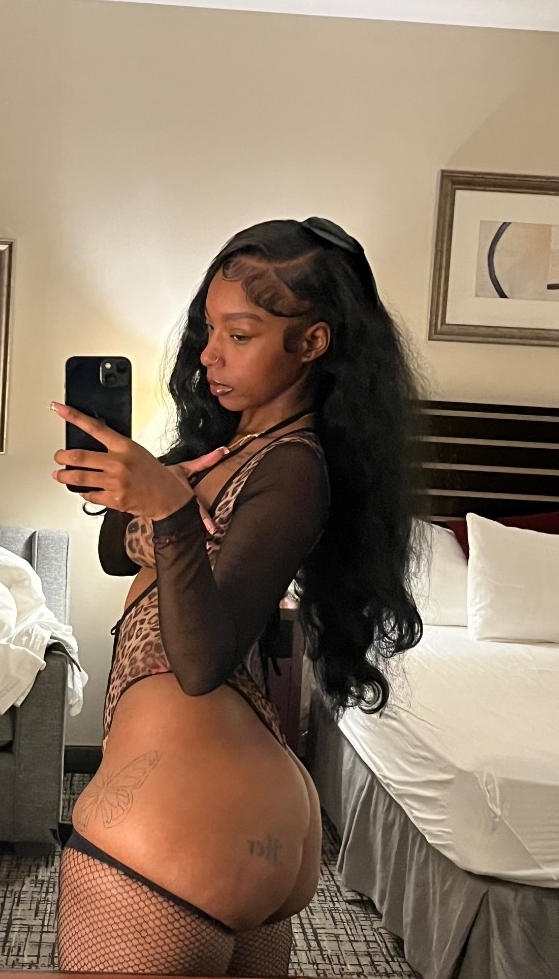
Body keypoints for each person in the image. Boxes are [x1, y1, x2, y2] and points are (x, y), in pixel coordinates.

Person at [50, 216, 423, 976]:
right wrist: (151, 492)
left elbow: (202, 663)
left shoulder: (293, 466)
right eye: (209, 328)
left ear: (311, 342)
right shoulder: (230, 444)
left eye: (240, 335)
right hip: (242, 815)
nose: (209, 354)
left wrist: (170, 512)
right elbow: (117, 553)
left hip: (176, 830)